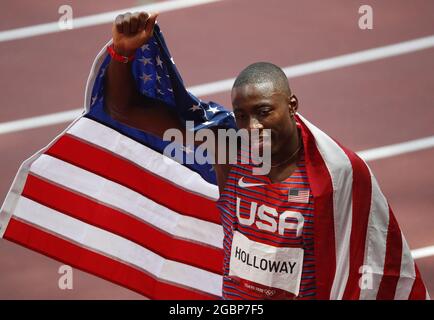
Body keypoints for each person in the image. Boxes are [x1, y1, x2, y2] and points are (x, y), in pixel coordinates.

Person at [103, 12, 428, 300]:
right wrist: (123, 52)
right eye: (242, 115)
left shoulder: (335, 173)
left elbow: (370, 259)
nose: (252, 126)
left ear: (292, 105)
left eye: (263, 112)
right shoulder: (228, 148)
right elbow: (123, 109)